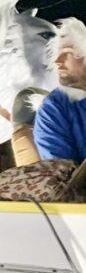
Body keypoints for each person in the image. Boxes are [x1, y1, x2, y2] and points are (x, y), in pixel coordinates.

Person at [33, 17, 86, 165]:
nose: (57, 61)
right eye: (58, 53)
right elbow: (62, 175)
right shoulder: (54, 108)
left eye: (68, 53)